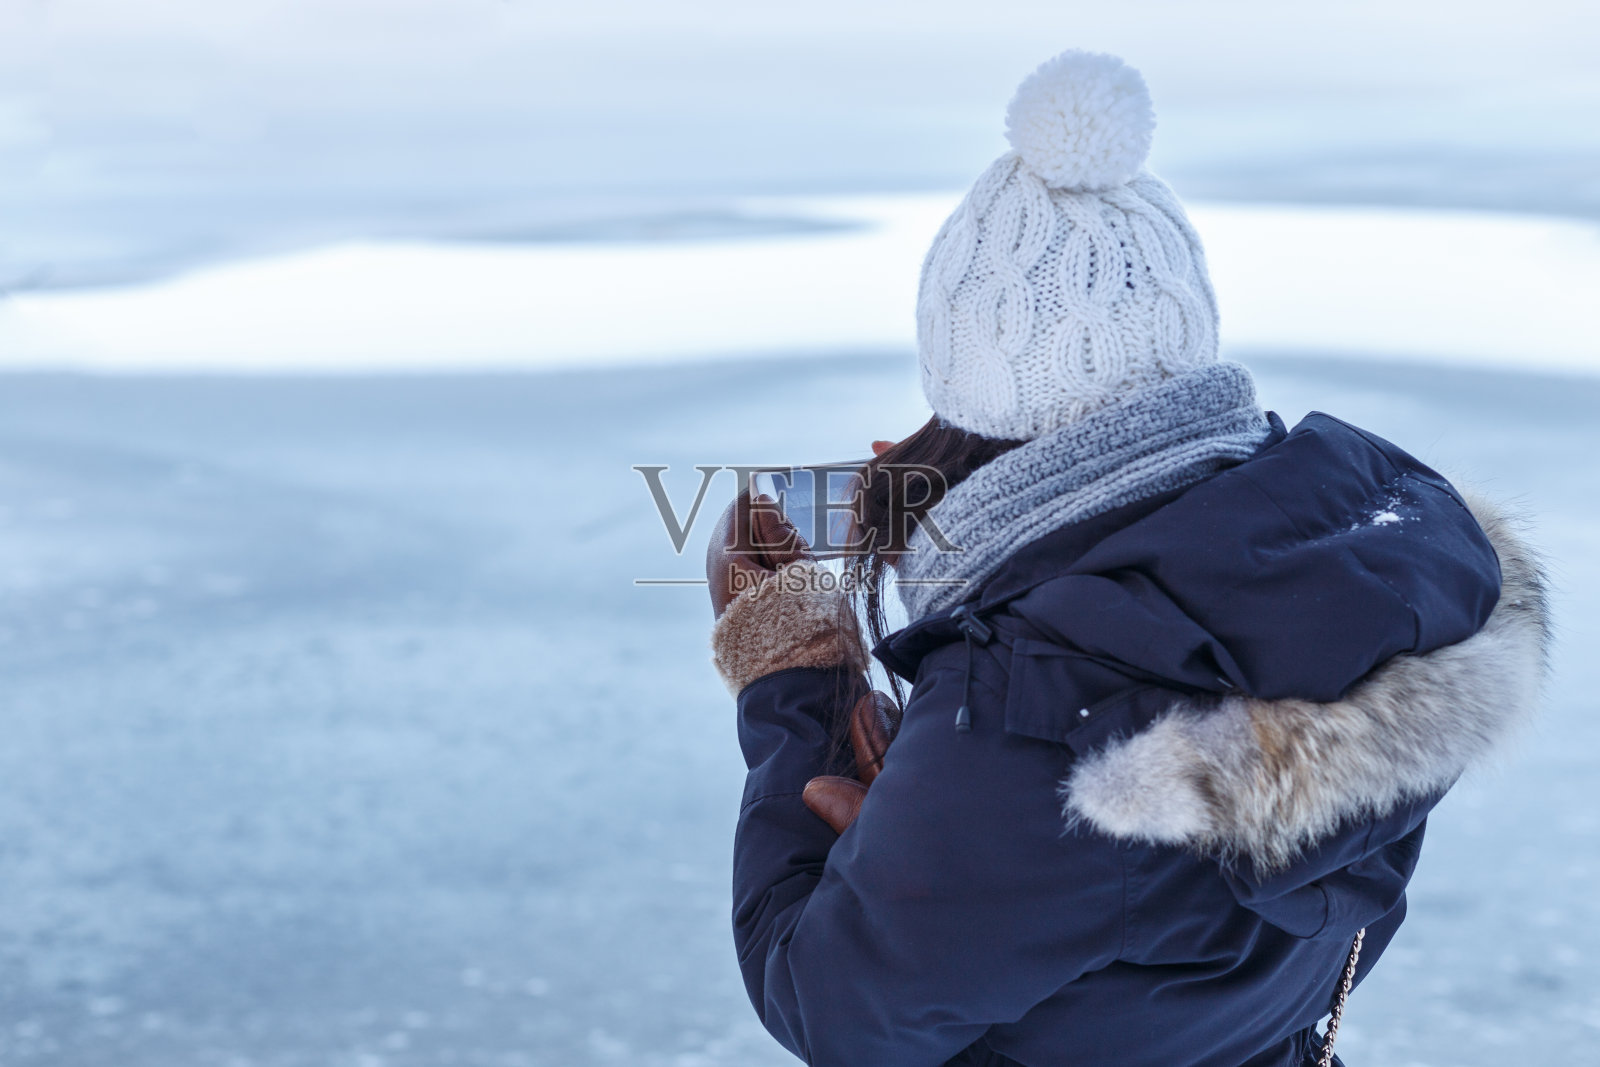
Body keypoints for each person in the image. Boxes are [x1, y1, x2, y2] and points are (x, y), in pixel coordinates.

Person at [703, 50, 1549, 1067]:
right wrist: (941, 820)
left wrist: (794, 682)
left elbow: (834, 1006)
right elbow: (1144, 913)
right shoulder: (1373, 580)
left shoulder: (1030, 712)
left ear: (965, 403)